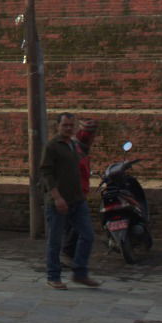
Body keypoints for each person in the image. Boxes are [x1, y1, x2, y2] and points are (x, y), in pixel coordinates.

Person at [40, 112, 100, 289]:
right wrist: (57, 197)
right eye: (65, 125)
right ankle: (53, 276)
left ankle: (80, 272)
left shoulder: (74, 145)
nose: (68, 128)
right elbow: (46, 173)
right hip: (58, 201)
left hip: (77, 199)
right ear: (58, 126)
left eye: (71, 125)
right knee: (55, 240)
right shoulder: (52, 147)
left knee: (88, 235)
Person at [61, 118, 97, 265]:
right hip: (73, 193)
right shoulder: (76, 150)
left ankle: (69, 255)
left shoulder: (80, 148)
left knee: (72, 226)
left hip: (76, 192)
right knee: (81, 228)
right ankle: (68, 255)